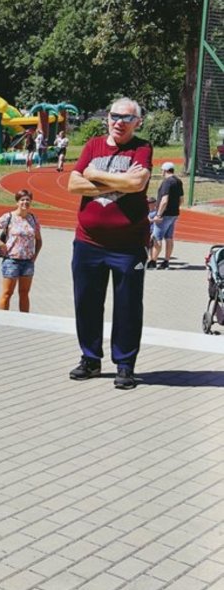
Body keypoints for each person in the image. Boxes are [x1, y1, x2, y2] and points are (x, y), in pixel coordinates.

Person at [67, 98, 152, 389]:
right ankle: (90, 360)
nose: (119, 122)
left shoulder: (142, 148)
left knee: (128, 307)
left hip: (128, 247)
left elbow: (136, 185)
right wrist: (118, 180)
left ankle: (125, 365)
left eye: (127, 118)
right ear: (107, 119)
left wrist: (94, 174)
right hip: (87, 243)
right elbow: (73, 184)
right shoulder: (92, 145)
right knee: (87, 303)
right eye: (115, 116)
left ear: (137, 122)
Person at [0, 190, 43, 312]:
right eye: (22, 200)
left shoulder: (33, 219)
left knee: (24, 293)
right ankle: (2, 320)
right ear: (17, 202)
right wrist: (0, 243)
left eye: (27, 200)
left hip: (27, 262)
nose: (25, 202)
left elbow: (39, 240)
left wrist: (35, 256)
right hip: (12, 261)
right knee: (7, 293)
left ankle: (24, 320)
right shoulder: (8, 217)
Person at [149, 161, 184, 269]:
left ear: (164, 170)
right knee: (169, 238)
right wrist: (175, 208)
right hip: (174, 214)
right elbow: (181, 199)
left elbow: (164, 199)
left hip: (164, 214)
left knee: (156, 237)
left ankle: (153, 261)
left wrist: (159, 214)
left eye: (162, 170)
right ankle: (166, 261)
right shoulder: (178, 181)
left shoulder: (167, 182)